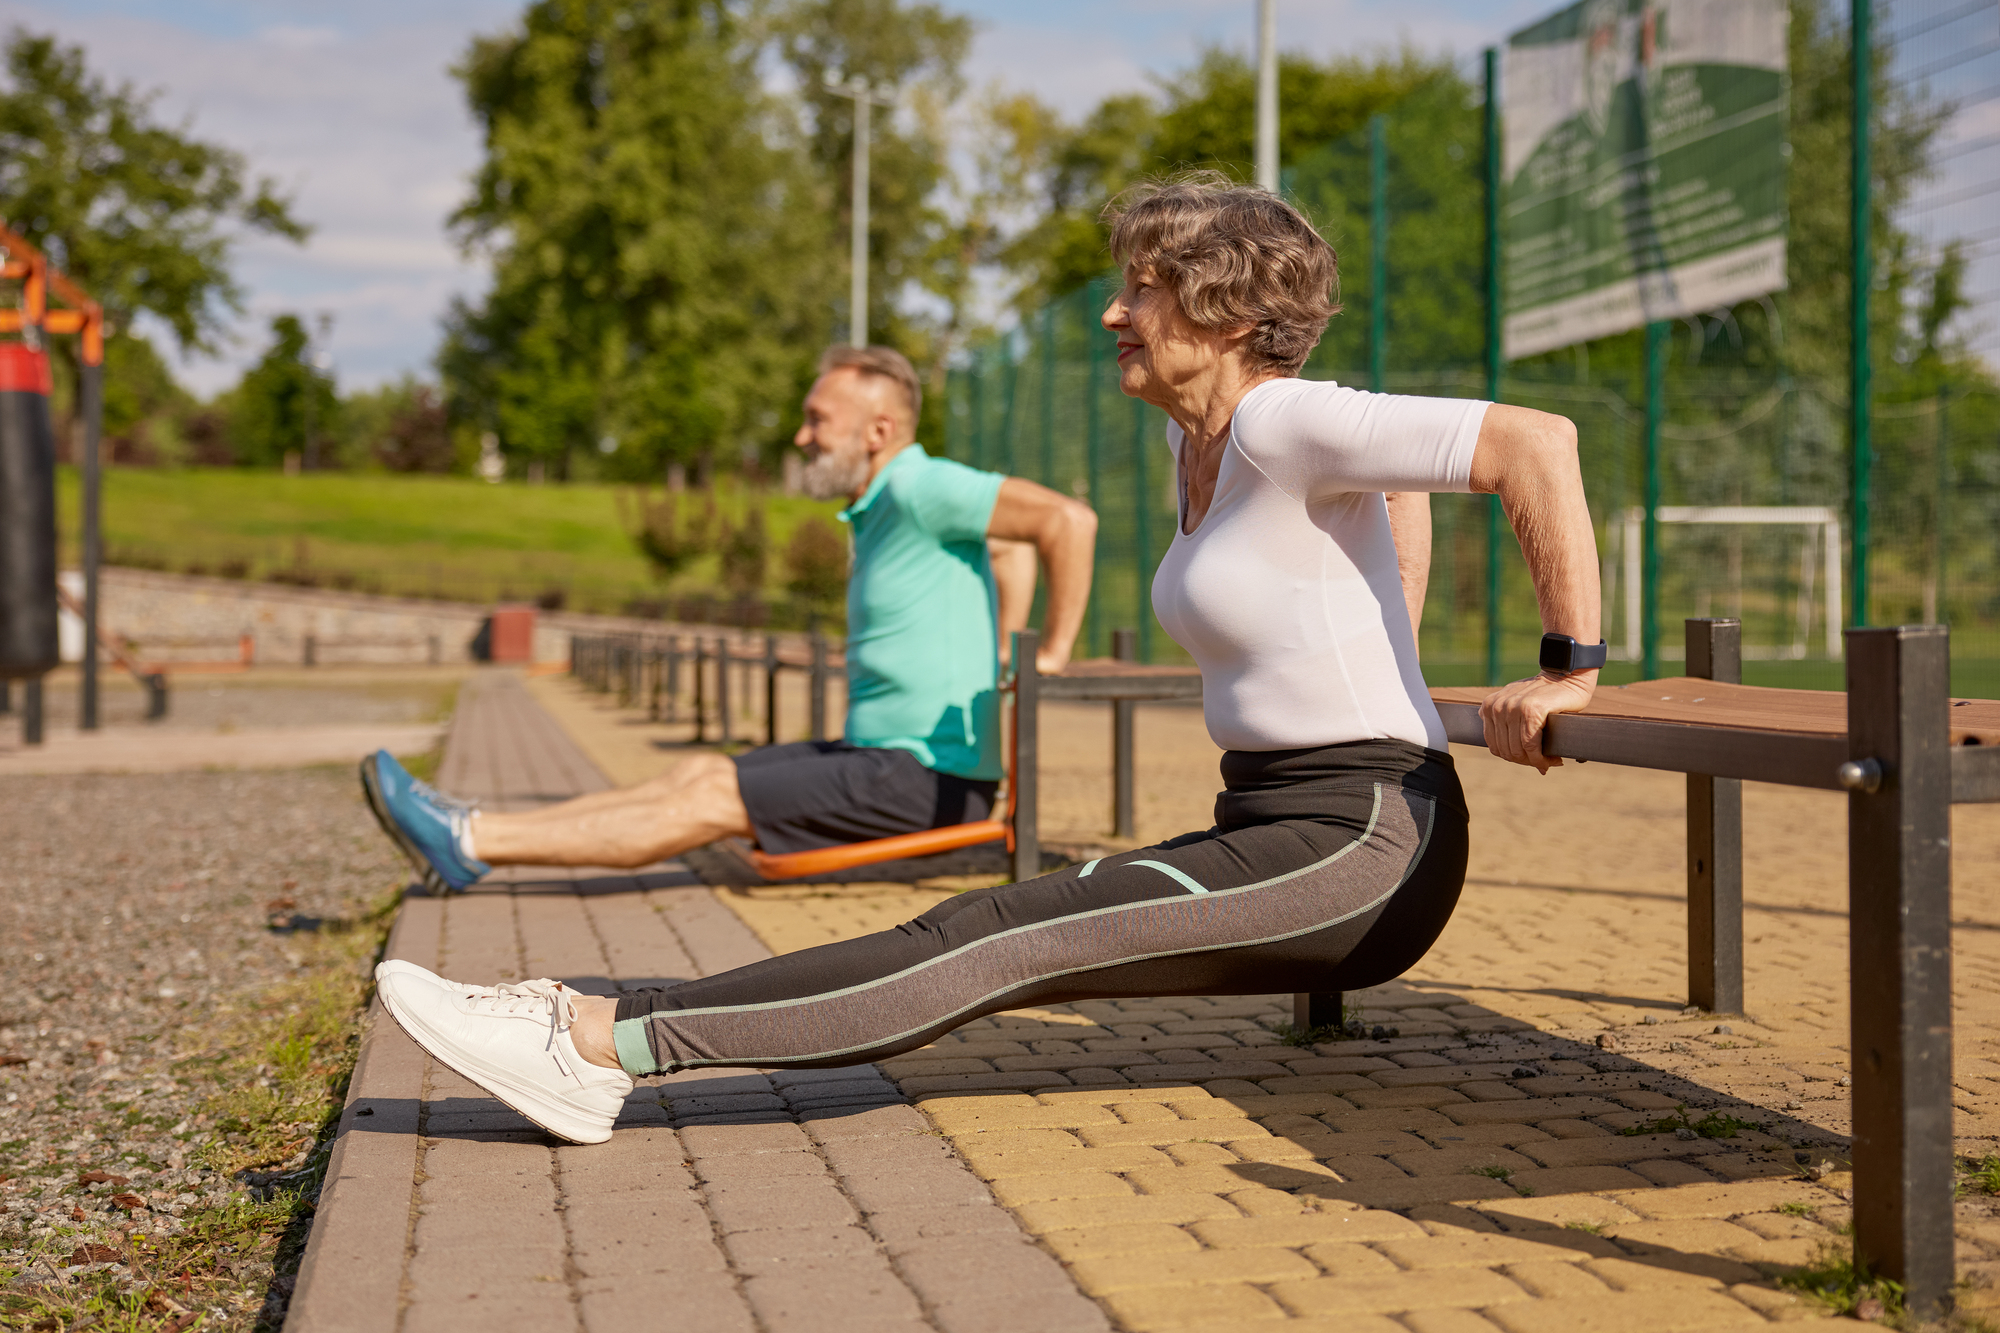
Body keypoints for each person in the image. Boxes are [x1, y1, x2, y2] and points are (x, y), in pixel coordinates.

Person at [374, 173, 1603, 1146]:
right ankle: (600, 1025)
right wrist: (1387, 637)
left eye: (1144, 291)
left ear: (1226, 313)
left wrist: (1567, 666)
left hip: (1357, 842)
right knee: (991, 923)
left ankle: (594, 1042)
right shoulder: (1213, 448)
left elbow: (1534, 445)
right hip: (1283, 821)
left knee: (997, 935)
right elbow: (1402, 497)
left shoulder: (1280, 414)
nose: (1116, 313)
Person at [362, 344, 1096, 893]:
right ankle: (475, 826)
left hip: (921, 778)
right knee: (699, 772)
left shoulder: (921, 485)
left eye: (817, 420)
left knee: (712, 800)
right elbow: (1007, 546)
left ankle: (470, 839)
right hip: (877, 757)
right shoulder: (883, 507)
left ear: (877, 431)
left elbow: (1066, 521)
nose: (803, 437)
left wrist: (1047, 652)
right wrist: (1003, 641)